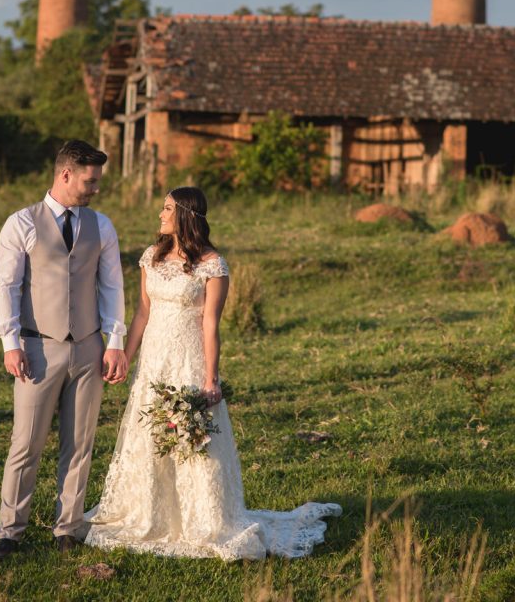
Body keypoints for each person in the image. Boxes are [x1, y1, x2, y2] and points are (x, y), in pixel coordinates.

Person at [85, 186, 341, 560]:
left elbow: (210, 324)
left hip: (188, 359)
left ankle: (201, 517)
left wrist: (210, 377)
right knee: (150, 432)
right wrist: (125, 355)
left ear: (186, 214)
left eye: (168, 208)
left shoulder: (212, 264)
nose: (160, 213)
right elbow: (142, 312)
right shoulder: (151, 257)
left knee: (193, 440)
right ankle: (150, 512)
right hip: (155, 360)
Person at [0, 139, 127, 561]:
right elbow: (8, 288)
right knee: (25, 444)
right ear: (65, 174)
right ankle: (10, 532)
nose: (95, 188)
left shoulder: (101, 226)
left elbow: (111, 287)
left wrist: (115, 342)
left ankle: (67, 527)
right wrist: (10, 343)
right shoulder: (21, 224)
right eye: (90, 180)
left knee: (80, 442)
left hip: (88, 348)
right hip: (36, 349)